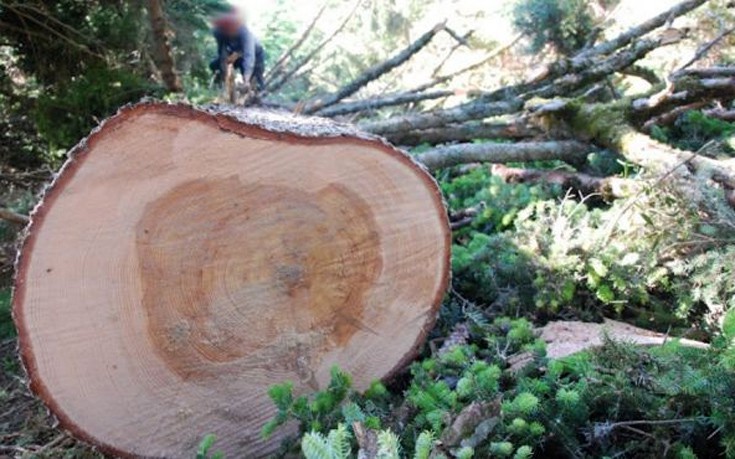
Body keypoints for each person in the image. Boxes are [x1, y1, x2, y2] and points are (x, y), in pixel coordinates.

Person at [209, 8, 266, 91]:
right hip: (234, 54)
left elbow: (249, 56)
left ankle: (257, 96)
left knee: (255, 80)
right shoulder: (218, 32)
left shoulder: (245, 33)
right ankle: (220, 88)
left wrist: (246, 79)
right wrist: (224, 70)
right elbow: (221, 52)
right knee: (214, 65)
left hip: (255, 55)